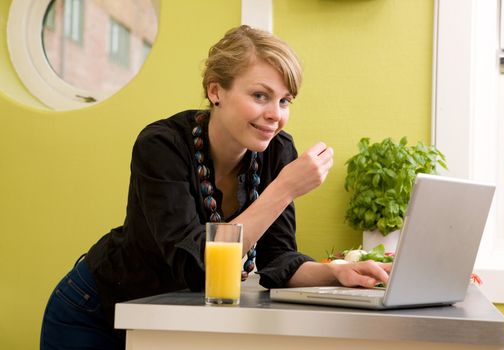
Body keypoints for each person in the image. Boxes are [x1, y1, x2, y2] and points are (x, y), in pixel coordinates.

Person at [40, 25, 391, 349]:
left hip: (169, 318)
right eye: (260, 95)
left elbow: (277, 258)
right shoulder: (160, 146)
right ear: (215, 90)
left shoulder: (278, 152)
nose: (275, 114)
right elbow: (197, 267)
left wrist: (335, 273)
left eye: (285, 101)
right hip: (93, 310)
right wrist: (284, 189)